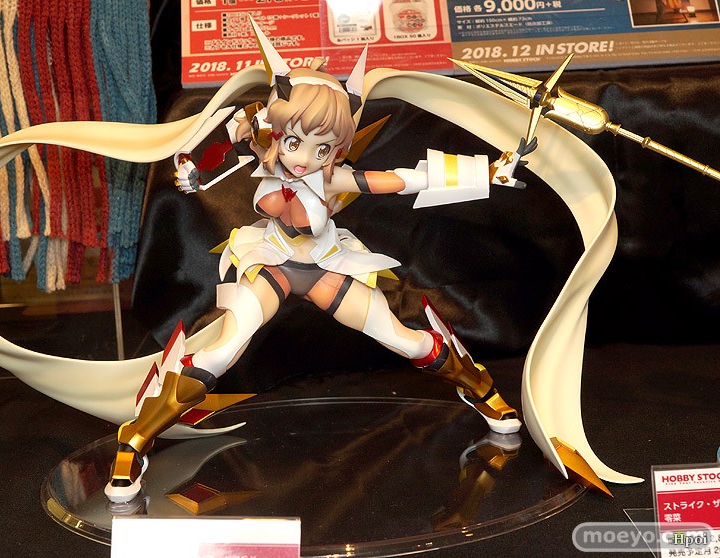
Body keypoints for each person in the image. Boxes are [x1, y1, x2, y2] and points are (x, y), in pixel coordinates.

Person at [104, 21, 536, 504]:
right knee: (222, 351)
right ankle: (134, 440)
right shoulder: (263, 156)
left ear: (336, 149)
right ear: (279, 133)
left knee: (405, 339)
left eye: (323, 148)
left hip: (326, 268)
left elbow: (405, 179)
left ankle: (481, 389)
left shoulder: (335, 179)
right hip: (271, 263)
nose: (305, 158)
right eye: (295, 142)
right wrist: (192, 169)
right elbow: (223, 138)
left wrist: (488, 171)